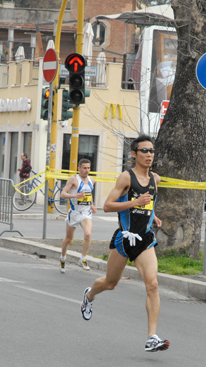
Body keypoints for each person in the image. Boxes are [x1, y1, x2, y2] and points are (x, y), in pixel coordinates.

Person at [80, 135, 169, 352]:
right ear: (134, 154)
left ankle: (152, 337)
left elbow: (149, 202)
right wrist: (135, 203)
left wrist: (152, 215)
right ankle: (89, 295)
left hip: (145, 239)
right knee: (110, 283)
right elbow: (108, 205)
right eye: (144, 151)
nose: (149, 155)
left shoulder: (155, 179)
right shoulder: (126, 178)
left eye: (152, 151)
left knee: (153, 284)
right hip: (125, 238)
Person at [60, 159, 97, 273]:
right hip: (75, 212)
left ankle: (83, 258)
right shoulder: (74, 180)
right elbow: (63, 194)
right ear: (79, 168)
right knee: (68, 239)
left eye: (88, 168)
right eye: (84, 168)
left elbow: (88, 194)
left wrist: (91, 204)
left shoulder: (92, 180)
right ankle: (63, 257)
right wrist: (76, 195)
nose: (87, 170)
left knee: (88, 234)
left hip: (86, 213)